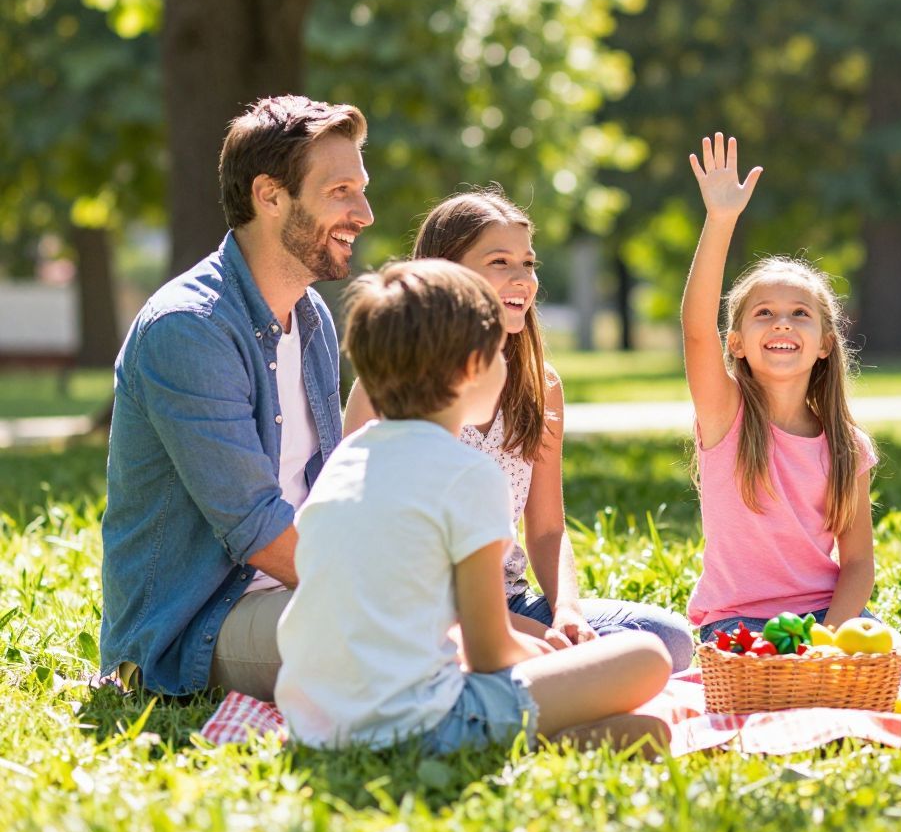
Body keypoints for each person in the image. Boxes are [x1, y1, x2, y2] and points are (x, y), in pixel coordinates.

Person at [276, 260, 670, 752]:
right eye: (498, 352)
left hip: (316, 723)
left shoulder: (348, 459)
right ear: (471, 368)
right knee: (647, 656)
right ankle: (532, 736)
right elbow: (489, 652)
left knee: (638, 720)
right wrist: (550, 656)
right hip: (420, 725)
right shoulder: (467, 474)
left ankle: (564, 738)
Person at [343, 188, 694, 671]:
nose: (522, 279)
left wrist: (566, 612)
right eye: (500, 262)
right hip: (423, 613)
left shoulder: (540, 384)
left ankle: (531, 675)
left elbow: (547, 530)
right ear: (446, 273)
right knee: (621, 661)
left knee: (668, 638)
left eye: (528, 263)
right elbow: (376, 548)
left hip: (509, 601)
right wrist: (531, 638)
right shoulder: (385, 389)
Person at [101, 95, 373, 699]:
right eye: (341, 192)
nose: (365, 213)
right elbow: (255, 526)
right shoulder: (189, 327)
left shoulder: (312, 318)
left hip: (304, 593)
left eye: (362, 190)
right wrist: (384, 593)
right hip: (195, 628)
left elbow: (327, 489)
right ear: (270, 195)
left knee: (575, 625)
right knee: (407, 634)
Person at [681, 133, 879, 640]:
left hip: (825, 617)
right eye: (764, 313)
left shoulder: (848, 446)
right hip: (737, 621)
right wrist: (720, 219)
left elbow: (858, 564)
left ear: (826, 343)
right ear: (737, 343)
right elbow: (697, 329)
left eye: (800, 314)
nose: (782, 323)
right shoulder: (725, 415)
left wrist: (828, 639)